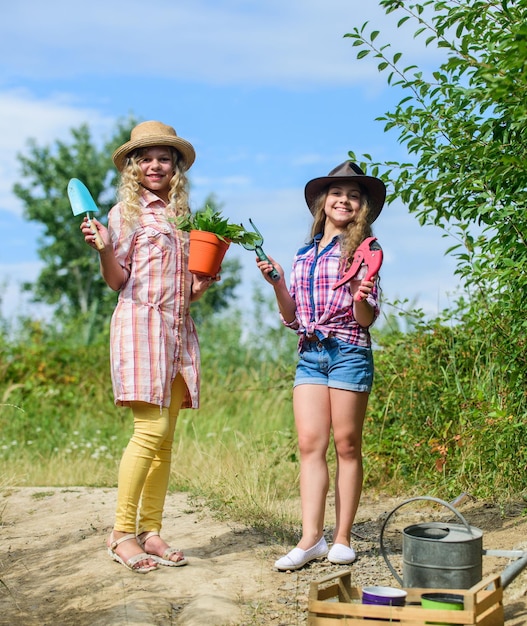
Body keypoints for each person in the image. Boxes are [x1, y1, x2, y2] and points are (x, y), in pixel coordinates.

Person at [80, 121, 217, 573]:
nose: (155, 165)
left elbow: (189, 290)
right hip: (141, 328)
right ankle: (121, 534)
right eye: (146, 158)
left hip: (179, 332)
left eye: (164, 157)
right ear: (134, 167)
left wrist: (204, 280)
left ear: (176, 166)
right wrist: (103, 249)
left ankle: (151, 531)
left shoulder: (184, 218)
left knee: (166, 442)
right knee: (150, 433)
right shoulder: (126, 213)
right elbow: (118, 280)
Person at [256, 161, 386, 571]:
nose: (343, 200)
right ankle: (311, 539)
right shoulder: (303, 255)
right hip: (310, 353)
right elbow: (293, 318)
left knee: (346, 445)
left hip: (348, 349)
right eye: (337, 193)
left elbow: (365, 318)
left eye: (352, 195)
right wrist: (278, 282)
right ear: (323, 202)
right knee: (310, 446)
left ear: (361, 206)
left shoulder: (366, 251)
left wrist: (359, 293)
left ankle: (343, 537)